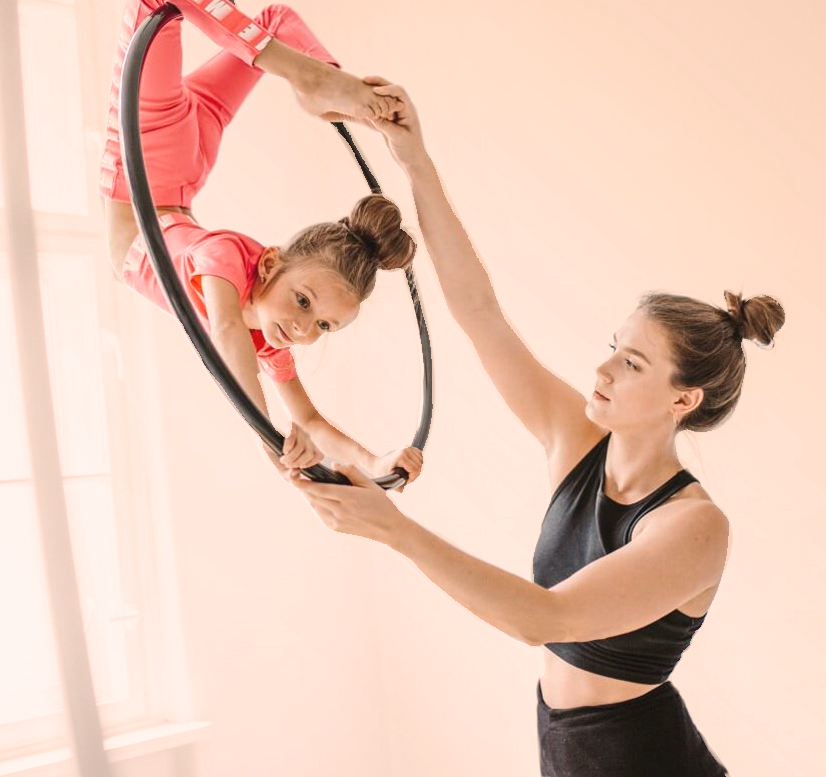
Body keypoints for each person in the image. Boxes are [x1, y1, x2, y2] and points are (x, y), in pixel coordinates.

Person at [289, 84, 786, 776]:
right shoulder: (575, 438)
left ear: (684, 399)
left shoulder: (695, 527)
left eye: (633, 361)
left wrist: (394, 529)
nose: (603, 368)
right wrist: (415, 162)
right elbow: (478, 311)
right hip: (566, 752)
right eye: (614, 345)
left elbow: (544, 620)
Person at [100, 0, 422, 484]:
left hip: (184, 169)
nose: (302, 327)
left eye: (322, 325)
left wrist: (374, 462)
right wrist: (266, 434)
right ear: (270, 263)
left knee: (272, 24)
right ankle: (317, 81)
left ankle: (318, 81)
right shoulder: (225, 258)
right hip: (150, 162)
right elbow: (224, 328)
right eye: (303, 301)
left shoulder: (270, 338)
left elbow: (312, 421)